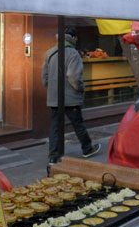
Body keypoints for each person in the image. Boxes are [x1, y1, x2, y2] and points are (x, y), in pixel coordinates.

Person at [42, 26, 100, 166]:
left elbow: (44, 77)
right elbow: (73, 76)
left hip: (54, 98)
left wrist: (52, 90)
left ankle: (53, 157)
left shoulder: (49, 53)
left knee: (55, 127)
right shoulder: (73, 53)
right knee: (78, 124)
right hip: (70, 98)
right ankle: (87, 149)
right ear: (73, 38)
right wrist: (80, 88)